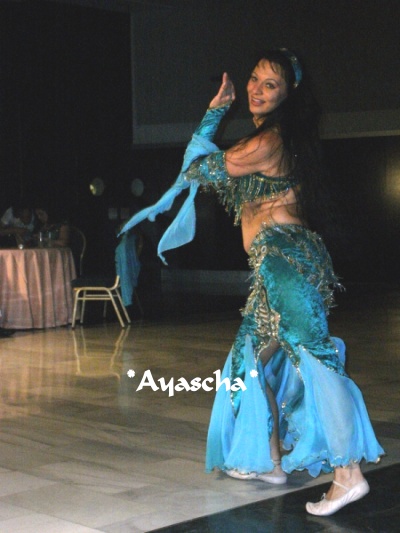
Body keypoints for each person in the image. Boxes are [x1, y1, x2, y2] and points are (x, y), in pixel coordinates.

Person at [120, 49, 384, 516]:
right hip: (273, 266)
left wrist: (213, 116)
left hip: (286, 261)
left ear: (288, 95)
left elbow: (196, 168)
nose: (257, 90)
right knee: (246, 365)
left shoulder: (271, 141)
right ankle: (271, 462)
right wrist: (217, 115)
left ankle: (349, 475)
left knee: (315, 360)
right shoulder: (271, 140)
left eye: (270, 84)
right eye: (255, 80)